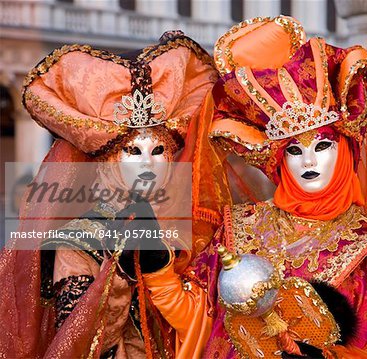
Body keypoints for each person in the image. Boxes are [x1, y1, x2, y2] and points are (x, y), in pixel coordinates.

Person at [181, 16, 367, 358]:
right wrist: (156, 275)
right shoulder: (237, 231)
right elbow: (194, 321)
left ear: (346, 151)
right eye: (293, 150)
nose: (308, 162)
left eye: (321, 147)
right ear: (278, 160)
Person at [0, 31, 221, 358]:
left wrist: (161, 271)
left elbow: (213, 327)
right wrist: (118, 274)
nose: (147, 162)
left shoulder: (198, 223)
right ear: (106, 161)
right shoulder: (78, 240)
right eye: (132, 151)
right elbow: (80, 342)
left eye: (158, 149)